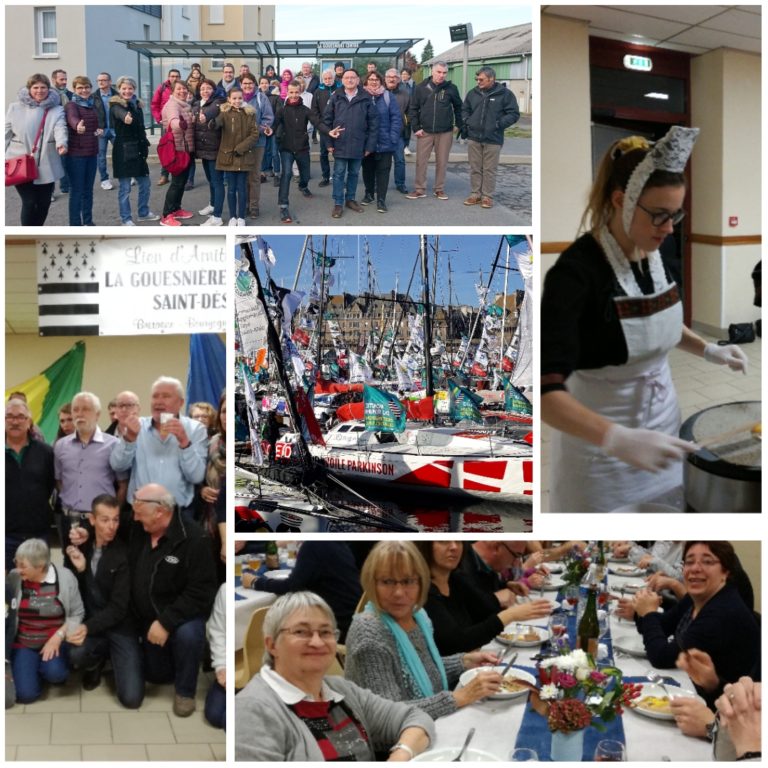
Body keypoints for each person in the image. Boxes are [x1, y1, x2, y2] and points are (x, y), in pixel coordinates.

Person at [540, 126, 749, 512]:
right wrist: (616, 438)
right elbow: (546, 395)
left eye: (676, 215)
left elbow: (658, 322)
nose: (669, 229)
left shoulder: (655, 256)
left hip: (664, 431)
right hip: (600, 454)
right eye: (659, 216)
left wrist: (708, 349)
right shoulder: (576, 275)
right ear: (622, 199)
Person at [235, 591, 434, 761]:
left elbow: (416, 717)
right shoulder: (251, 711)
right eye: (301, 632)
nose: (317, 642)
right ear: (271, 645)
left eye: (325, 632)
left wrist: (401, 754)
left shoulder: (341, 691)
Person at [345, 541, 503, 720]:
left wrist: (464, 661)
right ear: (371, 583)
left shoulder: (418, 616)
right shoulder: (369, 634)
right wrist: (459, 697)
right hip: (396, 742)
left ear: (422, 583)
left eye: (408, 581)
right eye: (387, 581)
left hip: (429, 722)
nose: (398, 592)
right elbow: (385, 715)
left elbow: (421, 667)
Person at [616, 541, 760, 709]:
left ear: (725, 572)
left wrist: (647, 613)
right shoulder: (700, 596)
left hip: (720, 709)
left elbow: (661, 657)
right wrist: (639, 613)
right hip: (694, 691)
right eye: (689, 561)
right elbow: (664, 625)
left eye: (707, 561)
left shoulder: (722, 612)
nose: (695, 568)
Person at [129, 483, 217, 716]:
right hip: (146, 616)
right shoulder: (139, 528)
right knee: (157, 676)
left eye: (139, 513)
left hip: (181, 615)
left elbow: (201, 592)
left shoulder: (195, 539)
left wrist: (166, 622)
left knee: (189, 634)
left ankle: (185, 691)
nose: (135, 518)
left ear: (160, 511)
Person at [64, 494, 143, 708]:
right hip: (94, 623)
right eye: (105, 520)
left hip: (120, 627)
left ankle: (115, 655)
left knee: (132, 699)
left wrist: (86, 628)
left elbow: (118, 609)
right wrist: (80, 570)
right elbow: (72, 587)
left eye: (115, 519)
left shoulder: (123, 554)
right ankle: (97, 661)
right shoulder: (81, 545)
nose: (111, 526)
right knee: (74, 653)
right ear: (92, 520)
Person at [416, 541, 552, 655]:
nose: (454, 547)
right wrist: (510, 615)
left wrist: (507, 587)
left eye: (458, 541)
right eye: (444, 541)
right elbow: (456, 642)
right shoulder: (423, 590)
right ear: (426, 546)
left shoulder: (455, 578)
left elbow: (488, 608)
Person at [109, 376, 208, 521]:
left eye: (166, 396)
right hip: (140, 513)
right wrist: (129, 438)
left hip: (179, 514)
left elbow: (196, 477)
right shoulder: (137, 426)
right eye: (155, 396)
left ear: (180, 402)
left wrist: (184, 442)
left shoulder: (195, 429)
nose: (159, 402)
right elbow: (117, 465)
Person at [9, 539, 84, 704]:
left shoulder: (65, 577)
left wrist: (58, 636)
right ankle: (31, 668)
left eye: (23, 565)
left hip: (54, 639)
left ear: (40, 566)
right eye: (17, 562)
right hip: (24, 642)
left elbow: (77, 613)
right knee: (26, 696)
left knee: (56, 674)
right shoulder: (15, 578)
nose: (18, 568)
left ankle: (43, 668)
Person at [54, 391, 127, 559]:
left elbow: (123, 484)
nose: (79, 414)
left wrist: (112, 516)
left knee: (101, 571)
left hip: (101, 521)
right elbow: (59, 481)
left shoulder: (113, 445)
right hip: (70, 520)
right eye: (76, 409)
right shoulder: (61, 446)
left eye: (85, 409)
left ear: (98, 414)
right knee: (73, 569)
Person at [242, 542, 362, 642]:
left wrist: (255, 582)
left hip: (338, 628)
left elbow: (291, 586)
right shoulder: (337, 542)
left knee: (284, 626)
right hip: (355, 620)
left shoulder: (314, 545)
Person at [5, 73, 67, 225]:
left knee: (44, 203)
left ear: (48, 88)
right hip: (19, 161)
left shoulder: (56, 109)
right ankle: (27, 235)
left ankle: (37, 231)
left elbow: (61, 128)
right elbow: (5, 133)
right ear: (29, 89)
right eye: (36, 87)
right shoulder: (15, 108)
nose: (39, 91)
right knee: (30, 201)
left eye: (43, 87)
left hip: (46, 162)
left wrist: (62, 143)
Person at [5, 399, 55, 572]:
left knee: (39, 591)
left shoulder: (46, 452)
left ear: (29, 422)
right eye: (9, 417)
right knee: (6, 591)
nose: (15, 421)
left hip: (38, 534)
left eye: (20, 417)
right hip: (5, 536)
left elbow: (49, 486)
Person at [461, 66, 519, 210]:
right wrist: (468, 121)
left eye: (481, 79)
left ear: (491, 79)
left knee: (489, 169)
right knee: (475, 167)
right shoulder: (472, 93)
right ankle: (475, 194)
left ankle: (487, 196)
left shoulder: (505, 94)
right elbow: (464, 109)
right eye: (477, 79)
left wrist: (498, 124)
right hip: (474, 137)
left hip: (493, 138)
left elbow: (513, 114)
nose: (478, 82)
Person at [323, 69, 378, 219]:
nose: (350, 80)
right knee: (339, 174)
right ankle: (338, 203)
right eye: (347, 77)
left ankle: (350, 200)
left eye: (353, 77)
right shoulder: (335, 97)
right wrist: (328, 143)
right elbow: (326, 121)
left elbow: (373, 124)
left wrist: (369, 146)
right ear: (342, 81)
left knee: (354, 174)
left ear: (358, 80)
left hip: (359, 144)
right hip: (339, 143)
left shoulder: (366, 98)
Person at [273, 79, 329, 224]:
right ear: (287, 93)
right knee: (286, 174)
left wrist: (329, 132)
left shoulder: (305, 110)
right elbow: (273, 125)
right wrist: (268, 130)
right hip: (286, 148)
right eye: (291, 92)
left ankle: (303, 186)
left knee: (305, 174)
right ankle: (283, 206)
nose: (293, 95)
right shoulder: (282, 110)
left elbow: (317, 122)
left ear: (300, 93)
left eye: (296, 92)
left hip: (302, 148)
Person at [406, 61, 462, 201]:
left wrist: (458, 125)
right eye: (439, 72)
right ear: (432, 71)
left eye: (444, 73)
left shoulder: (452, 88)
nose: (441, 75)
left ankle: (439, 189)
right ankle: (419, 189)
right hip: (425, 131)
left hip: (445, 132)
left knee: (442, 161)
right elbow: (413, 109)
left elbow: (459, 108)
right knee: (421, 162)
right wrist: (416, 128)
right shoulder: (421, 88)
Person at [109, 76, 158, 225]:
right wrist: (126, 117)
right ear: (119, 90)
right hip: (123, 151)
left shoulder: (137, 105)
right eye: (124, 88)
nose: (127, 91)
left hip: (138, 150)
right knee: (125, 188)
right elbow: (120, 114)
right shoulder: (116, 105)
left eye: (130, 88)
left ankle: (143, 212)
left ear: (134, 90)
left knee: (145, 184)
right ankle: (126, 219)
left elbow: (141, 127)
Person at [209, 85, 259, 227]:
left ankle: (241, 217)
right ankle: (232, 216)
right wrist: (212, 122)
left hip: (243, 156)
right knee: (231, 188)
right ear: (229, 100)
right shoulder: (224, 113)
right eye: (234, 98)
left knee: (242, 188)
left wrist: (241, 148)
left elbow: (254, 134)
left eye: (239, 98)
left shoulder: (250, 113)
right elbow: (217, 124)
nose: (237, 101)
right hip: (228, 157)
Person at [360, 70, 402, 214]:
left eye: (376, 79)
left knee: (383, 172)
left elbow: (396, 118)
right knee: (367, 170)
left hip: (385, 142)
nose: (374, 81)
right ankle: (369, 194)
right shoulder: (362, 96)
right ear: (366, 81)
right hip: (366, 143)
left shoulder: (388, 96)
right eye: (371, 79)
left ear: (381, 81)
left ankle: (381, 200)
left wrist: (393, 138)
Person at [63, 75, 102, 225]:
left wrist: (98, 130)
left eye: (86, 87)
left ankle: (88, 222)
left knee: (88, 191)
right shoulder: (71, 105)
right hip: (76, 155)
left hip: (91, 153)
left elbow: (95, 124)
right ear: (75, 89)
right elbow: (72, 118)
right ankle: (75, 225)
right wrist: (76, 126)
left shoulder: (91, 104)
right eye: (80, 87)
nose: (84, 90)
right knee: (77, 192)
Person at [160, 79, 196, 226]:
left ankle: (176, 209)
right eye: (179, 89)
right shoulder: (172, 105)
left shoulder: (185, 105)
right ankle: (166, 215)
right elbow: (174, 120)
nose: (182, 91)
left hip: (186, 149)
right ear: (173, 91)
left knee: (181, 182)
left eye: (184, 89)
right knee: (176, 183)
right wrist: (179, 124)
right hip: (177, 150)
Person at [240, 72, 274, 220]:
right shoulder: (236, 98)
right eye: (245, 83)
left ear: (255, 84)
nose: (247, 86)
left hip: (257, 143)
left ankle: (254, 207)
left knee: (254, 176)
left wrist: (256, 130)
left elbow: (268, 118)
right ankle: (244, 205)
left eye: (250, 83)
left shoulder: (261, 98)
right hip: (239, 144)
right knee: (242, 177)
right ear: (240, 85)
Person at [192, 78, 225, 226]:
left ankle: (217, 217)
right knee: (210, 180)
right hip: (203, 149)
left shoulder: (218, 101)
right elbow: (193, 113)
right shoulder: (197, 104)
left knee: (217, 182)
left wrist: (205, 116)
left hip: (215, 149)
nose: (205, 91)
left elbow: (213, 111)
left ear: (213, 90)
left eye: (208, 88)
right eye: (202, 89)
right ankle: (212, 205)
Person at [200, 393, 226, 573]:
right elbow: (196, 476)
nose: (227, 416)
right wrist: (201, 490)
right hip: (210, 523)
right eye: (224, 411)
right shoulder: (211, 443)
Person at [151, 68, 181, 186]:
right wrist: (159, 119)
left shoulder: (181, 88)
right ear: (169, 77)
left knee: (178, 149)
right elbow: (154, 104)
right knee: (166, 149)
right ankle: (164, 175)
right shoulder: (162, 88)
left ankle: (177, 174)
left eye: (177, 76)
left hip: (179, 124)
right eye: (172, 76)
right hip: (166, 125)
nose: (174, 78)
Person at [310, 69, 340, 188]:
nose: (328, 81)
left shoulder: (340, 90)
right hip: (324, 127)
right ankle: (325, 176)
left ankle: (338, 177)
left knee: (338, 154)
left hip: (338, 127)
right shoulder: (318, 91)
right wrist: (319, 124)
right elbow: (314, 110)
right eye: (325, 78)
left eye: (330, 78)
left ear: (334, 78)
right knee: (323, 153)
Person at [384, 68, 411, 194]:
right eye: (389, 76)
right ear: (385, 78)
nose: (391, 79)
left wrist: (407, 135)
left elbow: (409, 114)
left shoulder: (405, 94)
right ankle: (377, 184)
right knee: (381, 161)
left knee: (400, 160)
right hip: (381, 133)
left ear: (399, 79)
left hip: (398, 134)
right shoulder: (379, 92)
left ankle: (400, 183)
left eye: (394, 77)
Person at [205, 584, 226, 729]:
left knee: (226, 720)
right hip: (232, 662)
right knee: (215, 716)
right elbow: (217, 631)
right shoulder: (225, 589)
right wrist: (221, 666)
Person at [93, 72, 118, 190]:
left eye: (103, 80)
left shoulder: (117, 95)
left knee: (121, 153)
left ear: (109, 81)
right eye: (99, 80)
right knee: (101, 156)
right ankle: (104, 179)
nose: (101, 82)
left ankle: (125, 175)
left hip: (115, 130)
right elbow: (90, 115)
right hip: (100, 131)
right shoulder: (93, 97)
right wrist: (95, 130)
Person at [259, 75, 282, 185]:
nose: (264, 85)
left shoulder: (275, 97)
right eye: (262, 83)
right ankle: (262, 173)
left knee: (274, 152)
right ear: (259, 84)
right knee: (262, 152)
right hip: (261, 129)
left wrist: (271, 128)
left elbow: (278, 115)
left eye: (266, 83)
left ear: (269, 84)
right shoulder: (257, 97)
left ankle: (277, 174)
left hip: (273, 129)